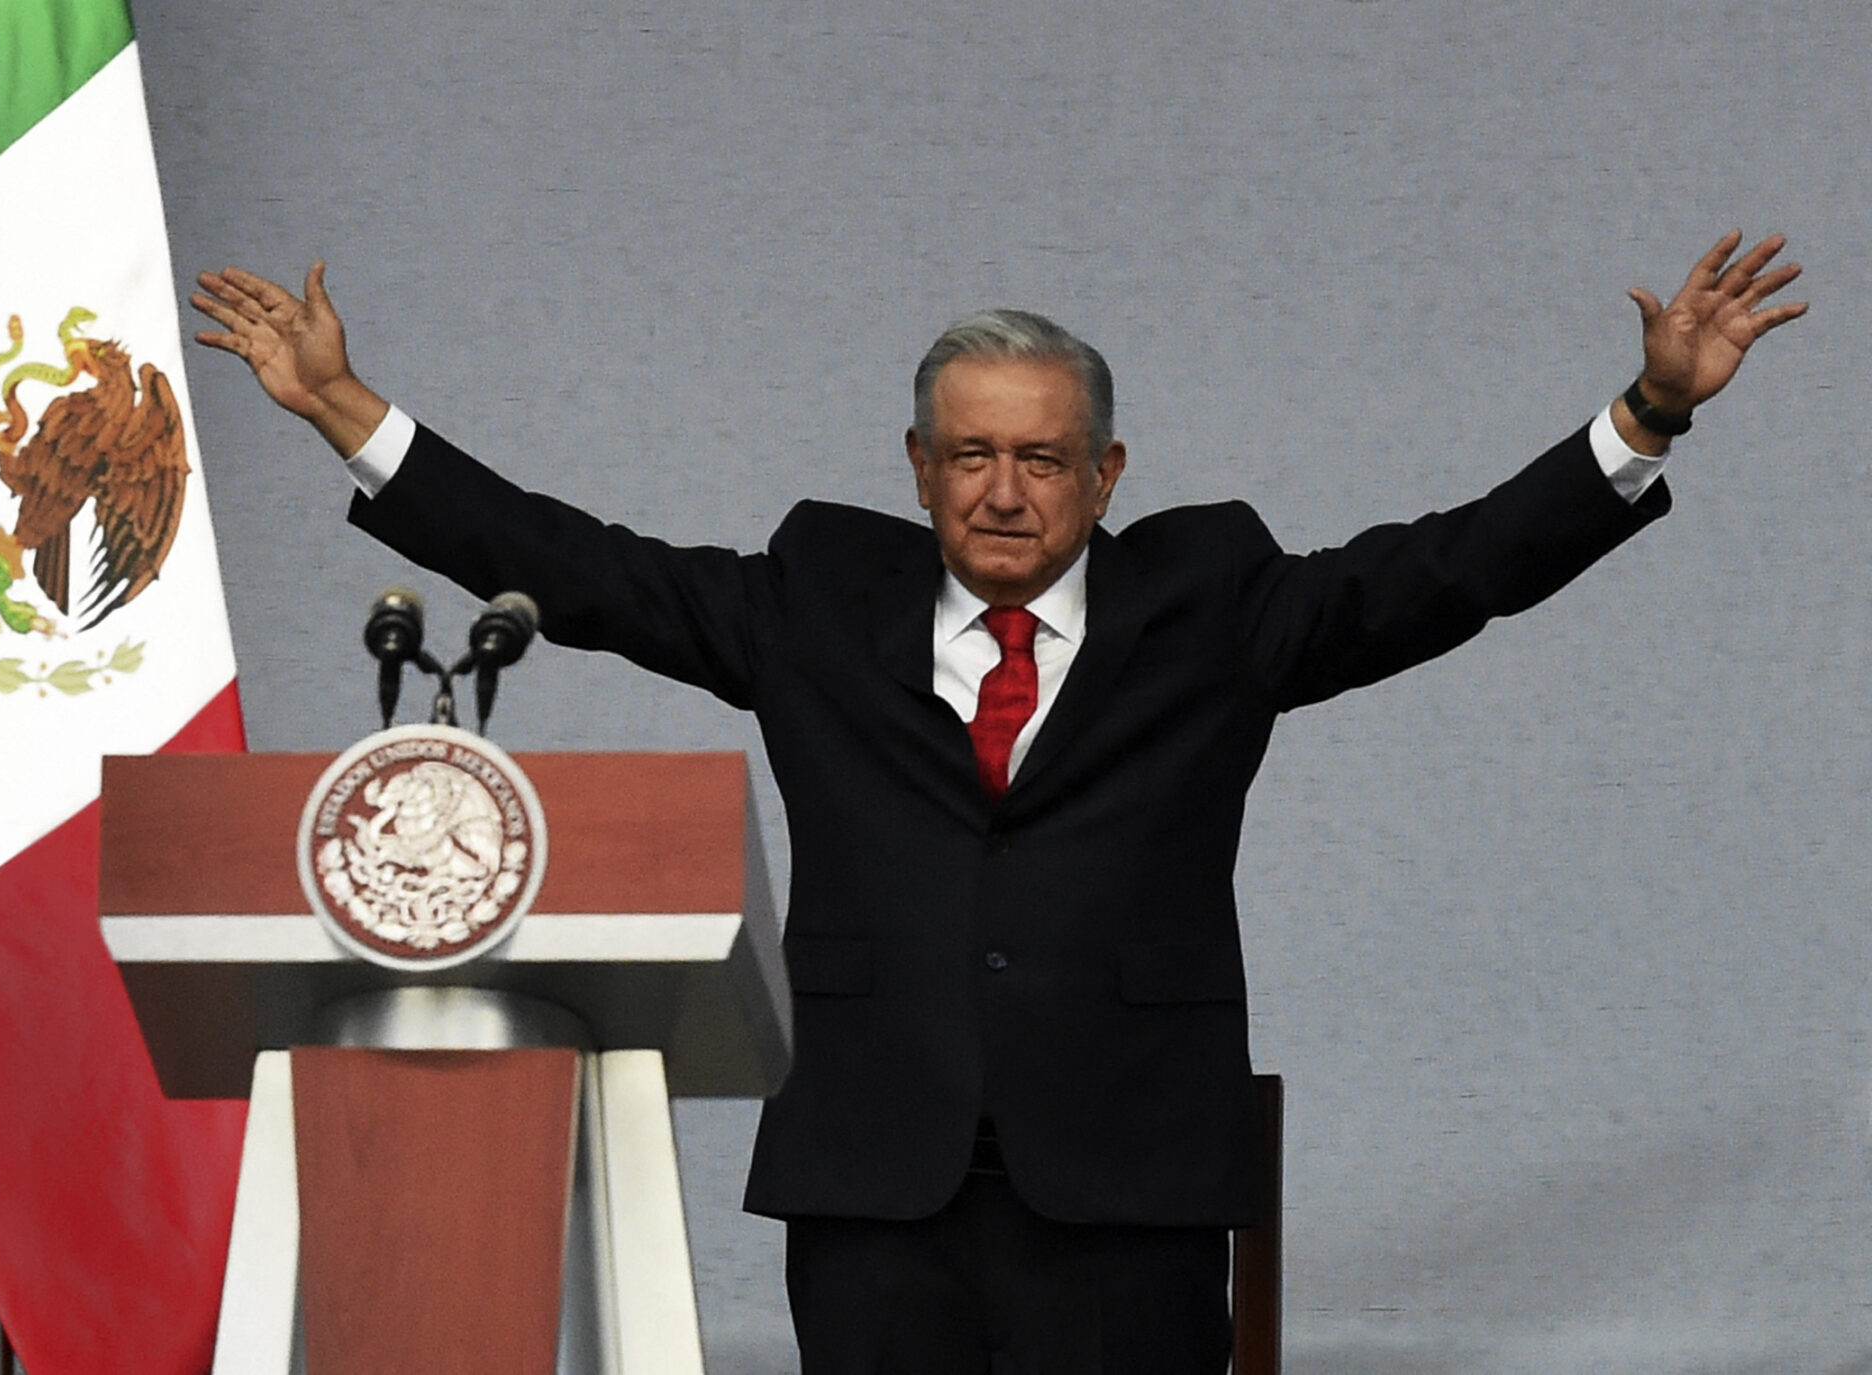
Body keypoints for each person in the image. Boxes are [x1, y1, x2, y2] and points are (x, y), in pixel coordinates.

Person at [193, 232, 1804, 1374]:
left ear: (1108, 476)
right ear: (916, 468)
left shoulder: (1219, 603)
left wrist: (1649, 413)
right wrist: (349, 410)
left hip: (1129, 1177)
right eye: (969, 456)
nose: (1005, 490)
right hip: (876, 1172)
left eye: (1042, 458)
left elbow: (1451, 573)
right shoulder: (814, 601)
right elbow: (584, 570)